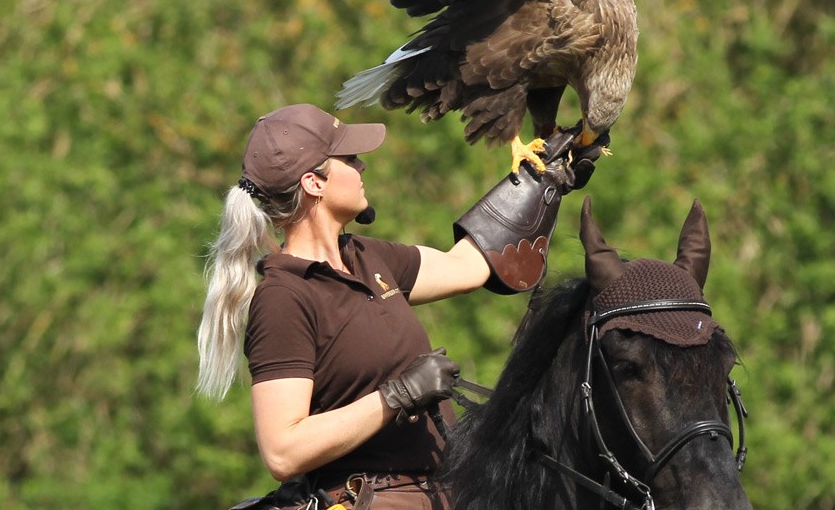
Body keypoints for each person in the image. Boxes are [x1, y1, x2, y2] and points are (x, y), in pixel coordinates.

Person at [196, 103, 598, 510]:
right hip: (367, 497)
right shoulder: (285, 296)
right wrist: (397, 396)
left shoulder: (367, 256)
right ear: (314, 183)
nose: (362, 167)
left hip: (446, 491)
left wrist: (540, 182)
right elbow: (283, 451)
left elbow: (467, 266)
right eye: (349, 159)